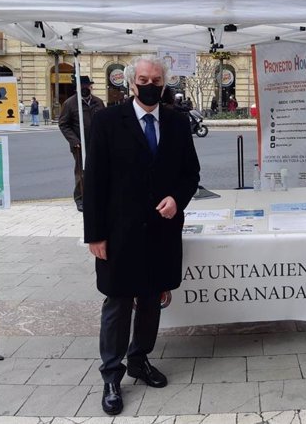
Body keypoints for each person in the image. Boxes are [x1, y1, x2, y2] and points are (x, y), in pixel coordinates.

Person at [83, 56, 200, 416]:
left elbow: (190, 173)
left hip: (161, 231)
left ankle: (139, 360)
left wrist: (176, 199)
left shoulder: (178, 123)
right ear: (131, 83)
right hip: (119, 233)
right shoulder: (105, 121)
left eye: (157, 78)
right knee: (117, 304)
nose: (151, 84)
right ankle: (111, 375)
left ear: (164, 83)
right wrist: (95, 235)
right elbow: (94, 182)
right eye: (144, 79)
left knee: (151, 301)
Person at [58, 76, 105, 212]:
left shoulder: (98, 102)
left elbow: (105, 121)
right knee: (81, 173)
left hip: (97, 142)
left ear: (91, 87)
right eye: (82, 86)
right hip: (79, 144)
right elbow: (63, 124)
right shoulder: (70, 103)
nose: (85, 88)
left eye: (87, 86)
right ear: (77, 88)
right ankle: (80, 199)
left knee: (99, 170)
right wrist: (74, 141)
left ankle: (96, 196)